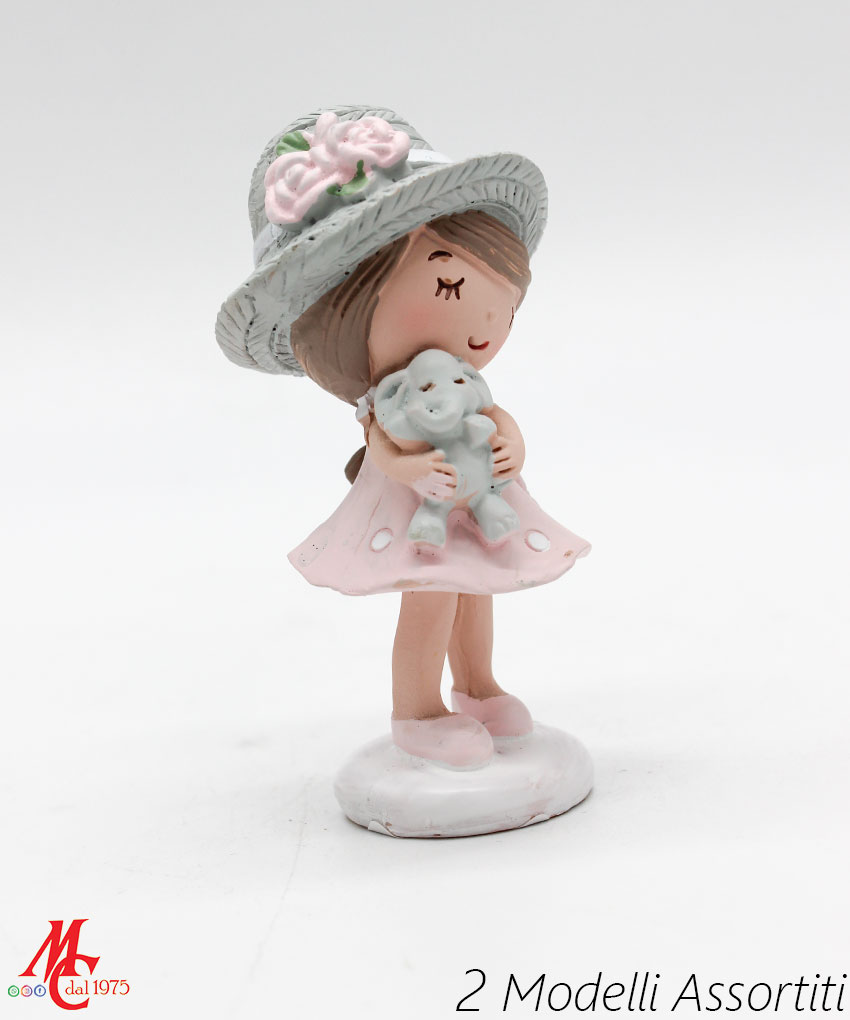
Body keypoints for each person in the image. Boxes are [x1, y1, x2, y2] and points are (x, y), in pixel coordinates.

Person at [216, 106, 589, 771]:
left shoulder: (462, 382)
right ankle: (416, 709)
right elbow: (384, 448)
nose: (483, 329)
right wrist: (413, 471)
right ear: (348, 305)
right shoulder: (388, 400)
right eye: (449, 285)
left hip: (477, 496)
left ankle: (478, 686)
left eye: (504, 307)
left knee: (476, 592)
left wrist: (513, 443)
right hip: (415, 510)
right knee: (432, 597)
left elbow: (495, 415)